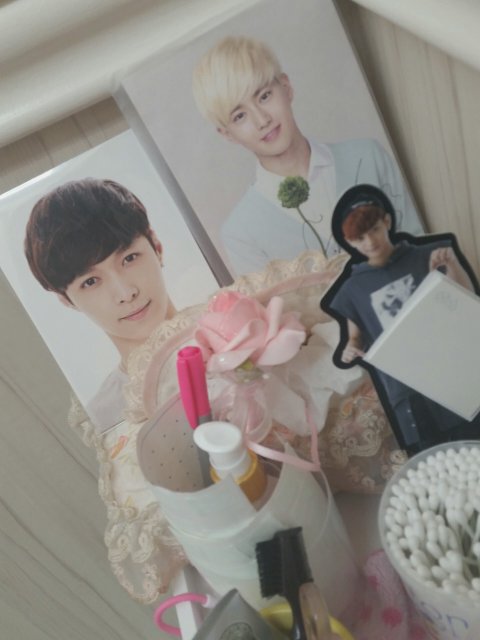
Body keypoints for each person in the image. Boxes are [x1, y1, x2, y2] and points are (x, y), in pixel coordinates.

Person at [192, 35, 424, 275]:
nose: (262, 120)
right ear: (227, 134)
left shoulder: (367, 156)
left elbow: (421, 252)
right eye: (240, 116)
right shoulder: (241, 233)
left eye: (264, 96)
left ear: (286, 88)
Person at [323, 183, 478, 453]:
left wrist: (451, 265)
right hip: (406, 389)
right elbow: (356, 336)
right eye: (360, 238)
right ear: (350, 243)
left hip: (450, 369)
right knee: (434, 457)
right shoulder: (353, 289)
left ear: (387, 221)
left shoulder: (426, 256)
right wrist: (350, 349)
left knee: (473, 438)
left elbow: (465, 300)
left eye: (374, 229)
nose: (370, 241)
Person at [24, 178, 176, 432]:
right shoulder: (105, 414)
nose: (126, 293)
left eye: (129, 258)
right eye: (91, 281)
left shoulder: (240, 325)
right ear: (66, 299)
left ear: (156, 246)